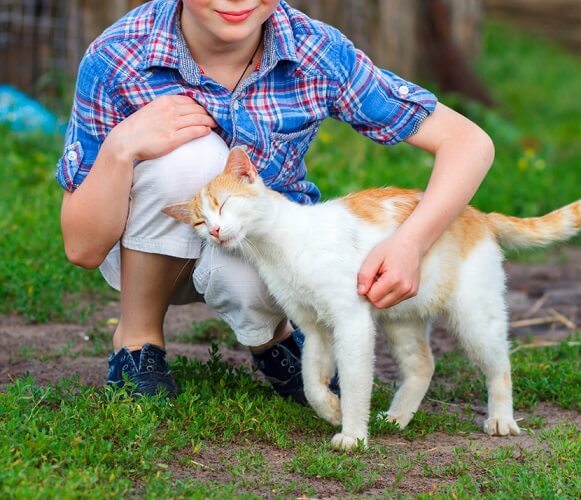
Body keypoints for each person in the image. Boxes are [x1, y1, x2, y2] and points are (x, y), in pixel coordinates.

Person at [57, 0, 495, 400]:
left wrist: (411, 243)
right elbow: (82, 247)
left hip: (252, 245)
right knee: (191, 159)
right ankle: (137, 342)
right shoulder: (118, 55)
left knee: (276, 242)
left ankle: (274, 339)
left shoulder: (313, 50)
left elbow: (468, 143)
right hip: (149, 244)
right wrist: (122, 146)